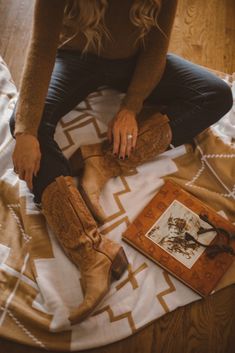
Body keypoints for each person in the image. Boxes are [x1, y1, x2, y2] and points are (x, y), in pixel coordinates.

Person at [8, 0, 233, 324]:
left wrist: (131, 105)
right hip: (73, 59)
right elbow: (42, 47)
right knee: (24, 125)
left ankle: (102, 162)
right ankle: (91, 253)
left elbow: (156, 45)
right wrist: (27, 129)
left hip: (135, 61)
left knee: (216, 93)